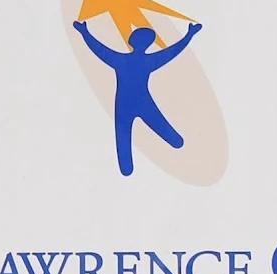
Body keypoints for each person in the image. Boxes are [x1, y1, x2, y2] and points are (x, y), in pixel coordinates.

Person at [73, 20, 202, 176]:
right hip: (139, 101)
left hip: (126, 103)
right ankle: (173, 142)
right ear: (149, 44)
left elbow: (100, 50)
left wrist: (85, 33)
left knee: (125, 134)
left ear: (131, 41)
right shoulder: (146, 61)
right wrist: (189, 35)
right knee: (146, 129)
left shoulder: (122, 60)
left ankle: (130, 165)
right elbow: (171, 52)